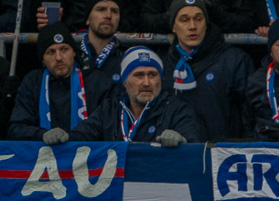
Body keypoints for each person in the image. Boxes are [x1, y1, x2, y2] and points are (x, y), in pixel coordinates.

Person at [164, 0, 253, 142]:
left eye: (199, 19)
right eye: (184, 20)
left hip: (221, 152)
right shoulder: (163, 65)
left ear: (206, 24)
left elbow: (249, 116)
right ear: (173, 26)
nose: (192, 26)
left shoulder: (234, 60)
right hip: (178, 153)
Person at [67, 47, 200, 145]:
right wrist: (64, 137)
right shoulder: (109, 110)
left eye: (152, 75)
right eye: (139, 75)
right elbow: (81, 136)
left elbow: (193, 146)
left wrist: (183, 141)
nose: (146, 83)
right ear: (125, 81)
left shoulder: (177, 110)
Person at [7, 23, 108, 143]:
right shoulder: (32, 82)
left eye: (64, 49)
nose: (59, 57)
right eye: (51, 52)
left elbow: (106, 125)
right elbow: (17, 129)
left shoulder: (96, 81)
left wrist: (71, 137)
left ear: (74, 52)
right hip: (43, 153)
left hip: (87, 153)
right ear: (43, 59)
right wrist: (42, 135)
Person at [74, 0, 124, 99]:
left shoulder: (126, 58)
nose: (108, 16)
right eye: (101, 9)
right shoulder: (72, 56)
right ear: (87, 19)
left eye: (114, 11)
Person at [143, 0, 253, 33]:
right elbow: (145, 20)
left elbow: (247, 22)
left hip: (219, 51)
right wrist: (172, 17)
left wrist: (218, 15)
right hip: (172, 50)